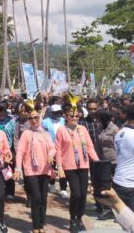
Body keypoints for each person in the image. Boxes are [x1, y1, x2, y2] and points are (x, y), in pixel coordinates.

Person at [55, 99, 99, 233]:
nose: (74, 118)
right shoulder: (61, 130)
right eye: (71, 115)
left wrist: (97, 163)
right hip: (69, 166)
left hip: (84, 165)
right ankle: (73, 218)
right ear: (65, 117)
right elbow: (57, 150)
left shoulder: (83, 129)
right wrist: (60, 167)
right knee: (76, 194)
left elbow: (90, 147)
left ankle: (79, 218)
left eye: (76, 115)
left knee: (83, 195)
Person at [14, 102, 55, 233]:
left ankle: (41, 223)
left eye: (36, 117)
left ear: (40, 118)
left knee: (43, 198)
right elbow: (20, 152)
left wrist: (50, 155)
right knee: (36, 197)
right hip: (30, 171)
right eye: (31, 118)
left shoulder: (45, 134)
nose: (33, 120)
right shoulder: (26, 133)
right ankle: (35, 226)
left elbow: (53, 148)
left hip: (45, 170)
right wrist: (18, 169)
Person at [42, 104, 67, 198]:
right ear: (51, 113)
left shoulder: (64, 121)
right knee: (51, 167)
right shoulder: (45, 122)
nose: (58, 114)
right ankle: (52, 185)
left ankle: (63, 188)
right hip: (50, 148)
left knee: (63, 168)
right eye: (56, 113)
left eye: (60, 112)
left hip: (62, 148)